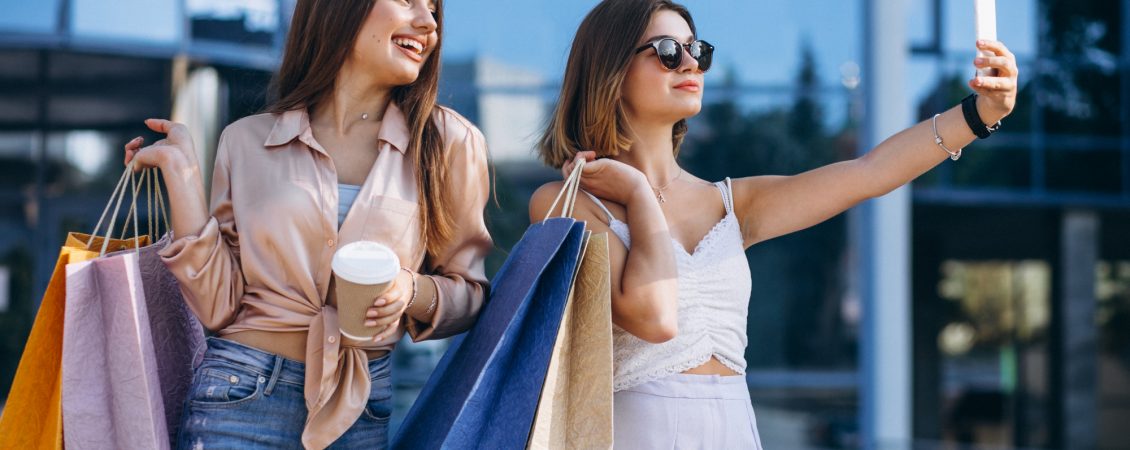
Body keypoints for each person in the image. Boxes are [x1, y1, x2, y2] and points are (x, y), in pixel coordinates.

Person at [529, 0, 1019, 447]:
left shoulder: (731, 203)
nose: (691, 63)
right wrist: (637, 194)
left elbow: (870, 174)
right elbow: (654, 317)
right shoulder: (566, 203)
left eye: (696, 49)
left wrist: (980, 114)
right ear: (610, 70)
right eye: (666, 51)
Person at [123, 0, 492, 448]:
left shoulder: (450, 144)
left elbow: (471, 293)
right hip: (238, 395)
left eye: (433, 9)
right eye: (408, 1)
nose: (428, 22)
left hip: (359, 409)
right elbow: (219, 306)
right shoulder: (246, 140)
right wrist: (181, 178)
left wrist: (410, 291)